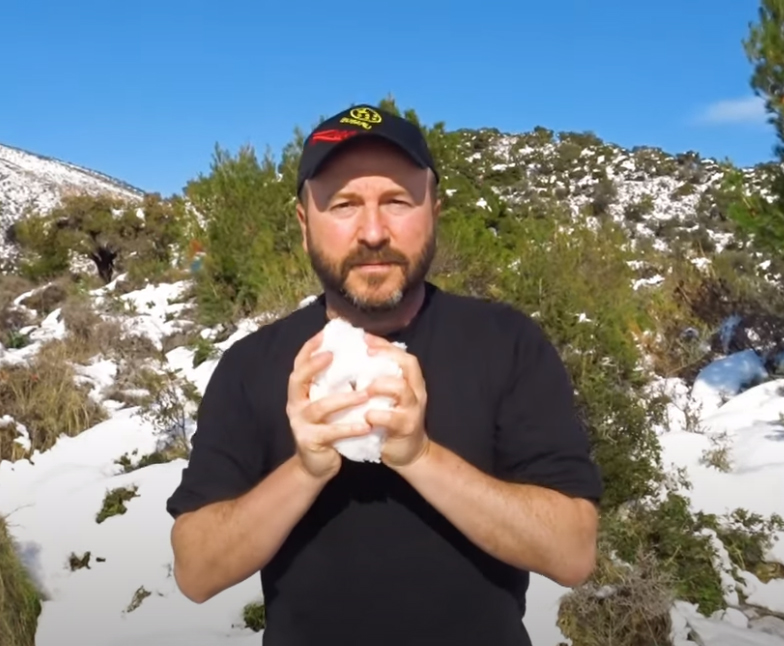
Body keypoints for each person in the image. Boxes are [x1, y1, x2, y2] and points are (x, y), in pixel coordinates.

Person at [165, 104, 603, 646]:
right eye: (343, 204)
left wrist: (420, 457)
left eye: (397, 201)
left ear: (434, 210)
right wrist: (306, 469)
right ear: (304, 224)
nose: (373, 232)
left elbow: (572, 552)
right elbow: (196, 570)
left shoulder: (507, 343)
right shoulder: (251, 365)